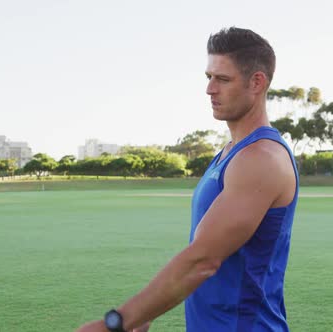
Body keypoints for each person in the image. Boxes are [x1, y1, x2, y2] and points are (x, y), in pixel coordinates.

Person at [77, 27, 298, 332]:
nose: (209, 89)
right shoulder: (230, 154)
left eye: (222, 79)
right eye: (208, 77)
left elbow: (203, 260)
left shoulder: (261, 158)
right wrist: (145, 313)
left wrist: (115, 323)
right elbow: (202, 249)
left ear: (256, 82)